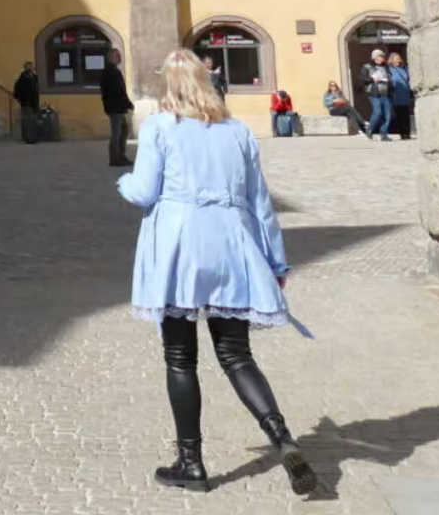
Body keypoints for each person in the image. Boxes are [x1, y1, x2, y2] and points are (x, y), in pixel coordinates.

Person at [119, 49, 318, 497]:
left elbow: (143, 189)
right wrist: (275, 261)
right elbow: (260, 203)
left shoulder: (160, 128)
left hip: (180, 247)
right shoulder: (238, 132)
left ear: (168, 86)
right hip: (232, 243)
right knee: (236, 354)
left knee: (179, 358)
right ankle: (282, 437)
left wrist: (122, 183)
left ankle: (192, 462)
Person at [99, 48, 133, 167]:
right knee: (117, 133)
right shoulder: (110, 71)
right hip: (115, 107)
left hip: (118, 107)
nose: (120, 58)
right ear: (111, 57)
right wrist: (126, 103)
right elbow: (116, 91)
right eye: (117, 56)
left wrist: (127, 103)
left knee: (123, 130)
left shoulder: (113, 70)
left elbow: (120, 90)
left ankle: (120, 156)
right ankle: (115, 159)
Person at [363, 48, 394, 140]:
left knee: (388, 115)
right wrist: (372, 79)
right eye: (381, 56)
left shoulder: (386, 67)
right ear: (375, 57)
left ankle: (383, 134)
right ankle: (369, 129)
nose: (383, 58)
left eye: (383, 56)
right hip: (374, 93)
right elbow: (362, 79)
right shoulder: (367, 67)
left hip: (386, 93)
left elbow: (389, 78)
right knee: (378, 112)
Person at [12, 61, 42, 144]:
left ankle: (33, 137)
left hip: (34, 103)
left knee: (33, 121)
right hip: (27, 103)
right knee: (28, 121)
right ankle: (28, 138)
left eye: (33, 66)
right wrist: (20, 99)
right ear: (27, 67)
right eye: (31, 66)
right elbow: (18, 89)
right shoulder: (23, 77)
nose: (33, 67)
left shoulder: (34, 76)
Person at [387, 51, 414, 140]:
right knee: (399, 115)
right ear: (391, 60)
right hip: (396, 94)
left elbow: (408, 80)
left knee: (406, 115)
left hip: (405, 94)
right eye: (395, 59)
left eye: (398, 59)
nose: (398, 61)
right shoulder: (389, 70)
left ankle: (407, 133)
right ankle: (402, 133)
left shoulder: (404, 69)